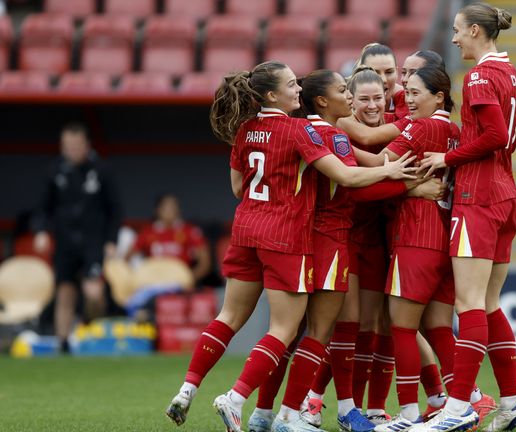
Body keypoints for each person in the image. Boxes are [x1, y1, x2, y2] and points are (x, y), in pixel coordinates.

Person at [164, 61, 417, 432]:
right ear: (273, 94)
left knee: (230, 318)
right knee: (296, 330)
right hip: (299, 237)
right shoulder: (306, 132)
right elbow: (348, 179)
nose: (295, 88)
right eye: (289, 84)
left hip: (246, 228)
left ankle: (191, 390)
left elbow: (238, 188)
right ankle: (251, 403)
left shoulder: (245, 128)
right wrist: (395, 175)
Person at [418, 3, 516, 431]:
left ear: (476, 32)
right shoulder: (512, 73)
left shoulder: (481, 76)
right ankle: (512, 401)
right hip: (505, 191)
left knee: (467, 304)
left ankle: (457, 407)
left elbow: (493, 135)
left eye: (457, 31)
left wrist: (446, 157)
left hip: (479, 194)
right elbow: (504, 138)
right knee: (487, 304)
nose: (452, 39)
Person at [350, 66, 462, 431]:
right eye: (406, 92)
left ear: (439, 96)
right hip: (444, 237)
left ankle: (409, 413)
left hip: (415, 235)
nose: (407, 100)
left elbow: (381, 168)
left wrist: (332, 145)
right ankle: (467, 400)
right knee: (439, 328)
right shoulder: (454, 131)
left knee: (400, 328)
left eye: (415, 92)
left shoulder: (421, 127)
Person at [33, 122, 122, 352]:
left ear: (86, 145)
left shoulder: (101, 170)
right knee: (64, 291)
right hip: (65, 242)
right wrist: (41, 231)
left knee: (94, 292)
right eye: (67, 146)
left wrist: (112, 240)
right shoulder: (54, 171)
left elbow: (115, 210)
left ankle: (95, 334)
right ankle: (63, 343)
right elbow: (43, 207)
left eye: (76, 145)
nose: (72, 150)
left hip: (93, 241)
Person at [127, 193, 210, 282]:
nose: (170, 210)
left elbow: (205, 263)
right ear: (157, 210)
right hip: (153, 280)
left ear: (178, 209)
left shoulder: (189, 231)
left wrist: (189, 279)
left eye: (173, 207)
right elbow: (127, 257)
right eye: (165, 207)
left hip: (179, 280)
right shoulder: (147, 232)